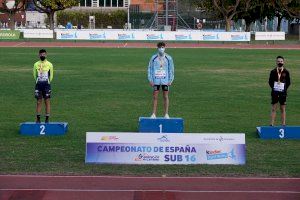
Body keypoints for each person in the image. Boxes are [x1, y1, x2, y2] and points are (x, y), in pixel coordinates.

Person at [148, 42, 174, 119]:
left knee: (165, 96)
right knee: (155, 97)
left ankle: (166, 114)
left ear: (165, 48)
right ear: (157, 48)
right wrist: (150, 80)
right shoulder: (153, 58)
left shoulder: (169, 58)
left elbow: (171, 69)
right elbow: (150, 69)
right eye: (160, 47)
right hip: (155, 80)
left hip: (165, 81)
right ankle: (153, 114)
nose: (161, 49)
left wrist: (170, 80)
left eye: (162, 47)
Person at [269, 56, 291, 126]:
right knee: (273, 108)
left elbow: (288, 82)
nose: (280, 62)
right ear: (276, 62)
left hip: (283, 93)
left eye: (281, 61)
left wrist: (284, 89)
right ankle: (271, 124)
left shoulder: (286, 72)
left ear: (283, 62)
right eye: (278, 61)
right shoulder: (273, 71)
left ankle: (283, 124)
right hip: (275, 93)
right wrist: (275, 88)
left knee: (282, 108)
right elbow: (270, 82)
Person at [33, 49, 54, 123]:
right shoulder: (36, 64)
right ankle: (38, 118)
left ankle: (47, 118)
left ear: (46, 55)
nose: (42, 55)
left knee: (47, 101)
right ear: (39, 55)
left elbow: (51, 75)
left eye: (44, 54)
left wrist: (47, 82)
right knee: (38, 102)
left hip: (46, 85)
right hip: (38, 85)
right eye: (41, 54)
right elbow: (34, 75)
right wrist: (38, 81)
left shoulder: (49, 64)